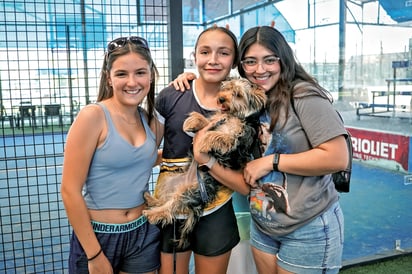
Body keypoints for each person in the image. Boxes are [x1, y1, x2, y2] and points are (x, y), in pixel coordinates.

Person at [172, 26, 348, 274]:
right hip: (264, 226)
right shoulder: (253, 102)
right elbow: (247, 177)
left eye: (269, 60)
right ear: (241, 65)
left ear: (283, 59)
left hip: (307, 227)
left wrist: (271, 162)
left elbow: (338, 157)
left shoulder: (304, 95)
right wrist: (207, 161)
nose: (260, 69)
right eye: (250, 62)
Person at [152, 25, 250, 274]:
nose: (213, 60)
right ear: (194, 56)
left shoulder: (244, 105)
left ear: (234, 60)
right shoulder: (171, 96)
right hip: (173, 206)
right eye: (205, 52)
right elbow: (145, 150)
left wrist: (205, 159)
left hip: (216, 207)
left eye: (224, 53)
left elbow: (245, 182)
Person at [61, 36, 161, 274]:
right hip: (98, 236)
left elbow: (139, 159)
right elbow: (69, 190)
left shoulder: (153, 122)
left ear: (151, 75)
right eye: (121, 74)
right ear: (109, 77)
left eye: (140, 72)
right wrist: (94, 254)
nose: (132, 82)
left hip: (142, 232)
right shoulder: (92, 117)